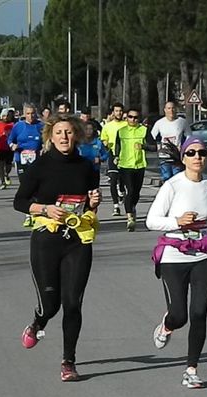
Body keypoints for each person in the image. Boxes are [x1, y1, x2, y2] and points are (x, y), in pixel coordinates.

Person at [13, 114, 101, 382]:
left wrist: (94, 201)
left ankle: (68, 362)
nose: (64, 137)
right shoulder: (40, 166)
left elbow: (89, 204)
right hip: (46, 241)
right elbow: (20, 201)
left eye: (69, 132)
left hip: (77, 241)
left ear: (77, 136)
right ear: (51, 136)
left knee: (73, 304)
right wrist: (45, 209)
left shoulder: (87, 166)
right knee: (51, 306)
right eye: (59, 132)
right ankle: (38, 321)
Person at [147, 137, 207, 389]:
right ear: (183, 158)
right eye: (191, 153)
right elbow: (152, 221)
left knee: (199, 312)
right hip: (174, 253)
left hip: (204, 253)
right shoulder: (172, 186)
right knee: (180, 315)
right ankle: (167, 325)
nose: (197, 157)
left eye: (201, 153)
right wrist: (178, 222)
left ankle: (191, 369)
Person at [115, 107, 151, 231]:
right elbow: (118, 147)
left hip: (139, 165)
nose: (132, 119)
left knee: (136, 192)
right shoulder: (121, 131)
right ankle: (130, 217)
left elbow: (154, 147)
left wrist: (144, 146)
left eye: (135, 117)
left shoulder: (144, 130)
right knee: (130, 190)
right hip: (125, 165)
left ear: (139, 119)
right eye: (130, 117)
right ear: (126, 118)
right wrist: (115, 156)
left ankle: (132, 207)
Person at [8, 103, 44, 226]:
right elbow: (10, 140)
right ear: (24, 114)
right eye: (28, 113)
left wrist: (44, 148)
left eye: (33, 113)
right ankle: (28, 214)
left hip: (37, 161)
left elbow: (47, 140)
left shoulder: (40, 126)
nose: (31, 116)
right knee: (25, 185)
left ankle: (35, 213)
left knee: (37, 187)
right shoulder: (18, 126)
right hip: (21, 160)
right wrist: (13, 146)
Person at [150, 101, 191, 182]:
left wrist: (184, 148)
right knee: (167, 177)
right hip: (164, 155)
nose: (171, 111)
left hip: (177, 156)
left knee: (177, 178)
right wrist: (157, 146)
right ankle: (167, 193)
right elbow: (152, 137)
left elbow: (189, 136)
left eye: (173, 108)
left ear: (176, 109)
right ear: (165, 110)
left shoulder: (182, 122)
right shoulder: (159, 123)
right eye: (168, 108)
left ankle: (177, 194)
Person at [100, 102, 127, 216]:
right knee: (113, 180)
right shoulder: (108, 126)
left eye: (120, 111)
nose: (119, 113)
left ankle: (121, 191)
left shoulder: (126, 125)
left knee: (122, 180)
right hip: (112, 154)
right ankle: (116, 206)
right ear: (113, 112)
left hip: (125, 155)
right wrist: (105, 142)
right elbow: (103, 138)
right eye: (116, 111)